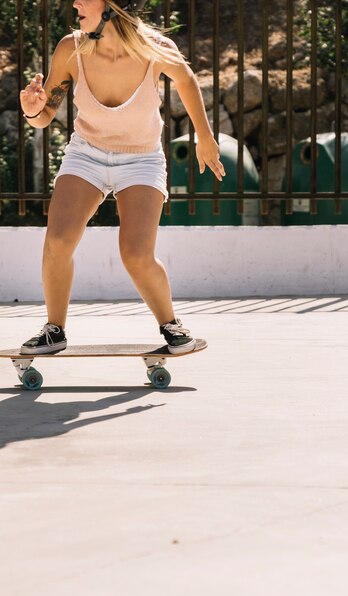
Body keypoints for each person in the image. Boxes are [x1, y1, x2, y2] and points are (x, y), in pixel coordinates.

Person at [18, 0, 225, 355]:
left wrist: (205, 138)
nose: (75, 3)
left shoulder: (154, 48)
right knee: (58, 240)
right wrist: (31, 108)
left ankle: (170, 324)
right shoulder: (72, 49)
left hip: (141, 158)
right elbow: (44, 115)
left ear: (111, 5)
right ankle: (54, 329)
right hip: (87, 153)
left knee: (135, 254)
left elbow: (187, 80)